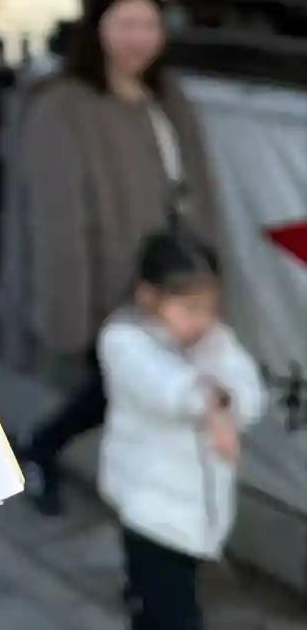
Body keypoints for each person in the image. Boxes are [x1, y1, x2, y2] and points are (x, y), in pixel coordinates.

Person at [14, 0, 220, 516]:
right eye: (124, 23)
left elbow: (196, 186)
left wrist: (206, 266)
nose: (138, 38)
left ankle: (51, 453)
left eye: (148, 25)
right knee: (116, 391)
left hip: (170, 280)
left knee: (130, 393)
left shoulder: (166, 97)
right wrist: (72, 307)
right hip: (108, 281)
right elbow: (58, 218)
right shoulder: (64, 105)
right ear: (98, 29)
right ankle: (43, 450)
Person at [98, 229, 265, 630]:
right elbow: (169, 389)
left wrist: (224, 403)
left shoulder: (214, 338)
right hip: (152, 512)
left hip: (199, 513)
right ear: (148, 297)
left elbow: (251, 392)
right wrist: (214, 404)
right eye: (190, 309)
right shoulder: (122, 340)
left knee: (159, 603)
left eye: (210, 308)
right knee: (175, 616)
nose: (202, 321)